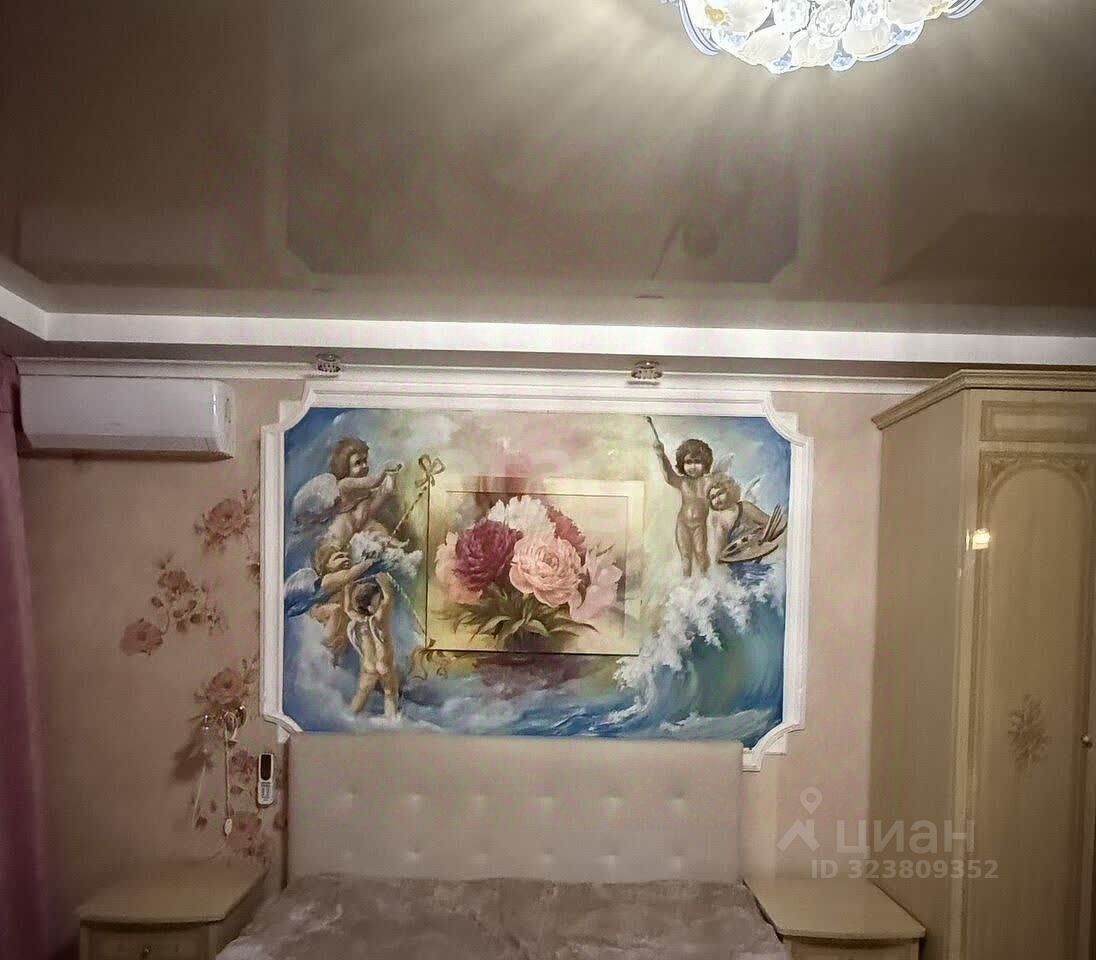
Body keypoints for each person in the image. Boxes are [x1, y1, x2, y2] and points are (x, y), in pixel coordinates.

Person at [654, 436, 724, 577]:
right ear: (682, 464)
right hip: (683, 524)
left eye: (697, 462)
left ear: (705, 463)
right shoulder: (682, 482)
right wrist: (661, 455)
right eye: (688, 462)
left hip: (699, 525)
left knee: (701, 553)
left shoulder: (708, 481)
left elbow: (723, 486)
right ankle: (686, 584)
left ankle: (706, 581)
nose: (692, 466)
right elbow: (669, 476)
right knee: (685, 556)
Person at [325, 438, 402, 548]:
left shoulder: (365, 488)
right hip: (346, 524)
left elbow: (383, 495)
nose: (364, 466)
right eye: (358, 463)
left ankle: (392, 545)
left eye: (365, 461)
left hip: (363, 522)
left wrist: (392, 476)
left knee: (380, 532)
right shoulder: (344, 484)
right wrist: (385, 469)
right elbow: (373, 482)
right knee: (336, 547)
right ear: (345, 467)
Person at [344, 573, 399, 718]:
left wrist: (348, 591)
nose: (381, 602)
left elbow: (348, 608)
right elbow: (388, 599)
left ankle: (349, 718)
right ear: (370, 606)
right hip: (384, 663)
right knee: (390, 693)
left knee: (362, 694)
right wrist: (385, 584)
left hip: (369, 665)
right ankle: (393, 722)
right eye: (378, 600)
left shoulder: (358, 620)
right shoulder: (379, 619)